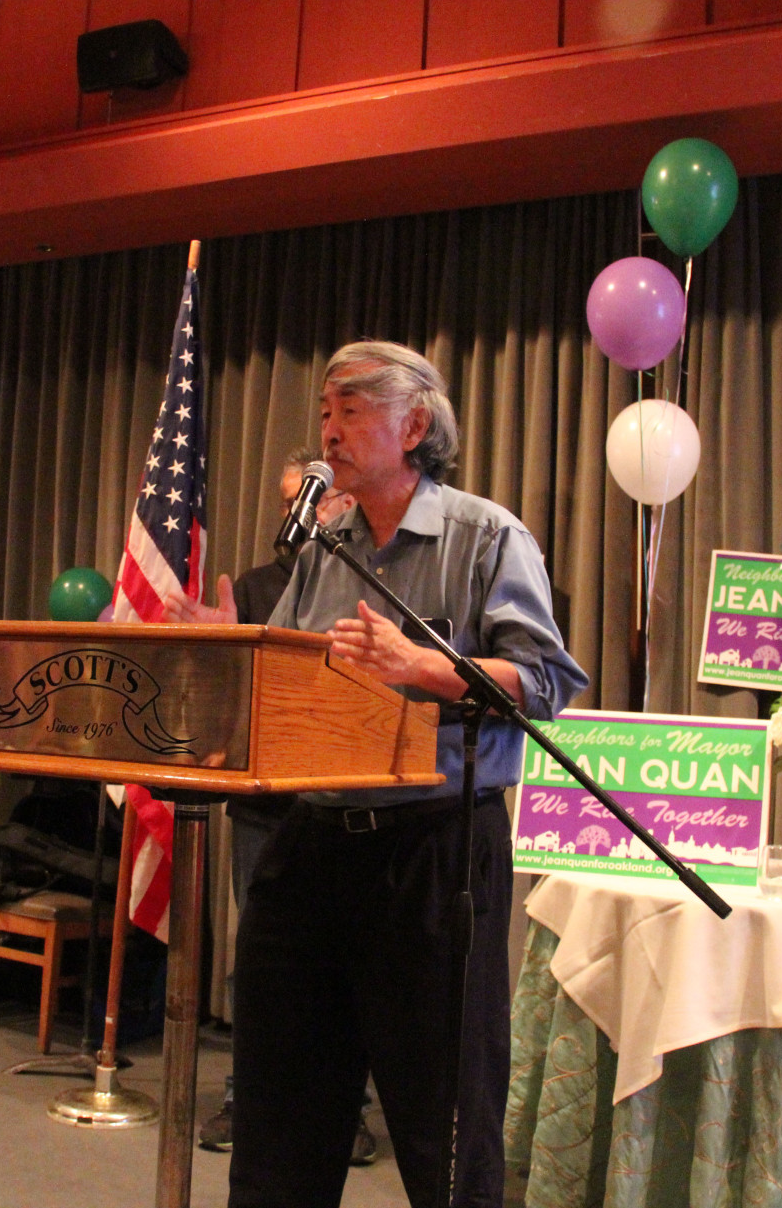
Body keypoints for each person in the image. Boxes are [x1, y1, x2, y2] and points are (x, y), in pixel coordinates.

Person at [166, 341, 588, 1208]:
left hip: (432, 852)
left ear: (415, 425)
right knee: (282, 1119)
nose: (329, 432)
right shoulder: (326, 546)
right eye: (326, 413)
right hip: (313, 845)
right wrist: (226, 648)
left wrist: (423, 665)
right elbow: (290, 678)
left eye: (350, 412)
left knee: (444, 1122)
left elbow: (545, 683)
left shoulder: (485, 535)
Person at [198, 448, 366, 1158]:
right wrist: (220, 649)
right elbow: (233, 694)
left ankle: (344, 1110)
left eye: (315, 498)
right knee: (262, 957)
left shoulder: (370, 581)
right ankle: (247, 1097)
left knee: (343, 962)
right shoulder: (257, 585)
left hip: (342, 805)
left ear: (347, 504)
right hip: (266, 811)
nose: (301, 513)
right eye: (291, 500)